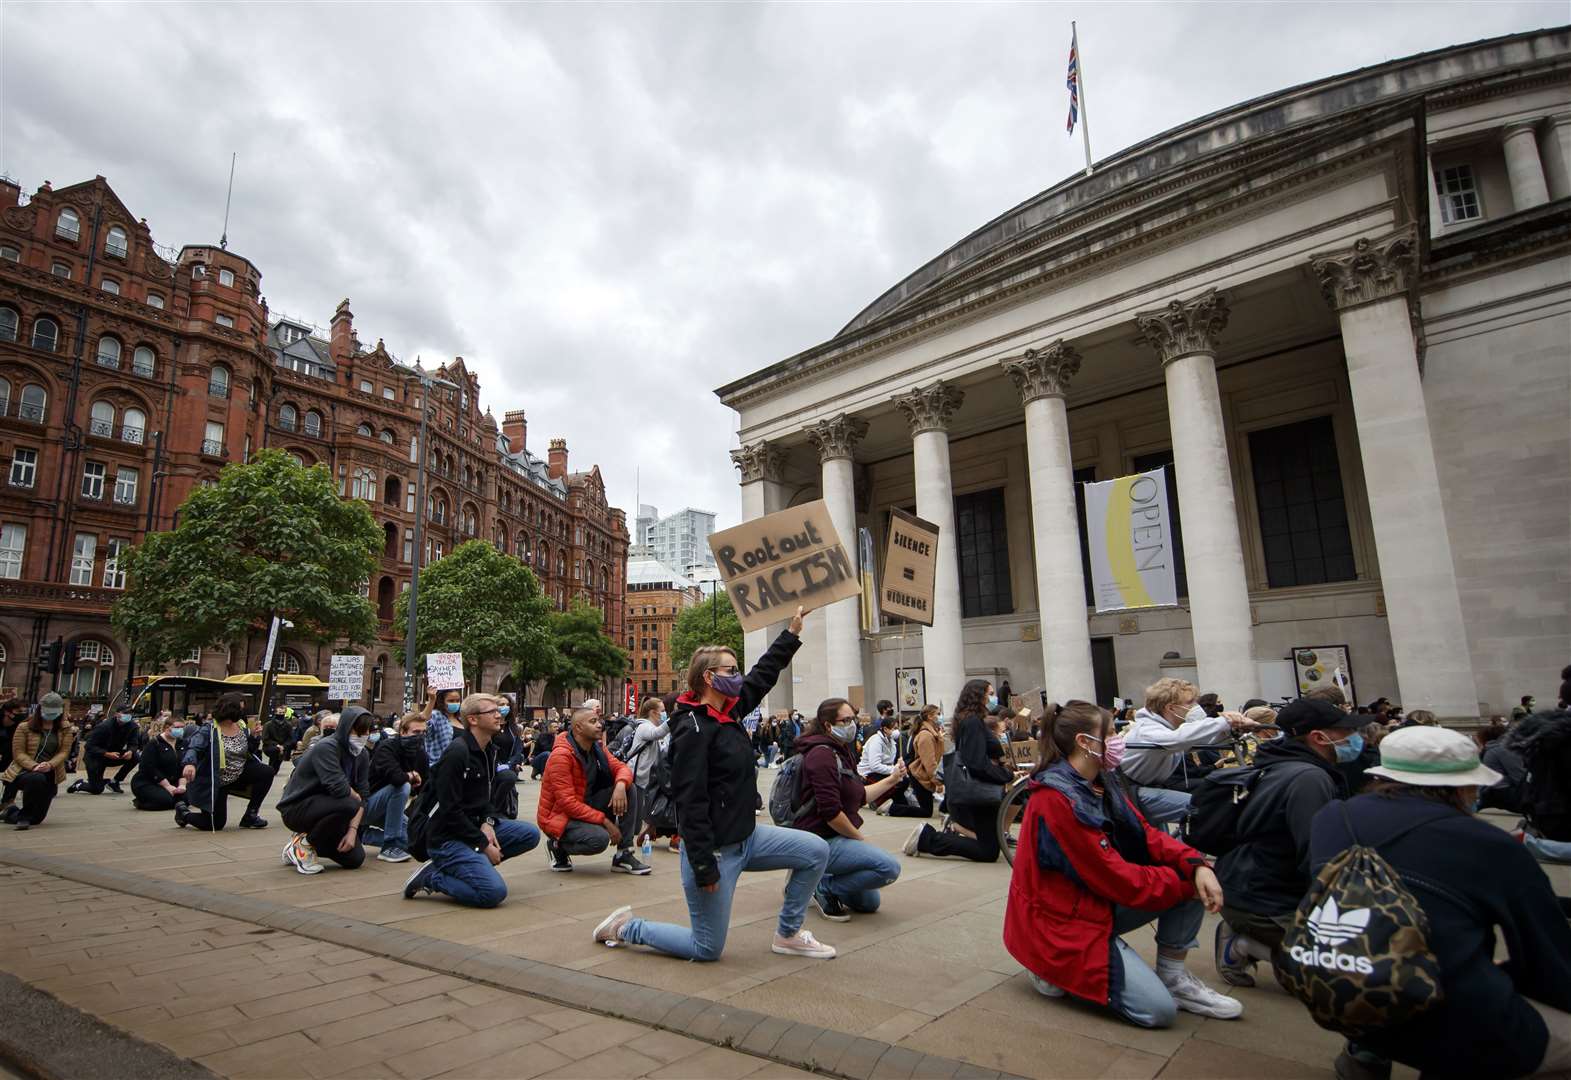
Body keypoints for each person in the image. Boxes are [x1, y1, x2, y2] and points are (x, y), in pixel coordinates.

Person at [1309, 726, 1571, 1080]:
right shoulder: (1488, 844)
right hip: (1443, 1010)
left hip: (1338, 991)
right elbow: (1548, 955)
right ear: (1464, 785)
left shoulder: (1333, 816)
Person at [590, 606, 837, 961]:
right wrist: (704, 864)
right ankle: (627, 927)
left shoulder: (729, 711)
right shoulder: (691, 728)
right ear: (708, 677)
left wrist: (792, 632)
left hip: (748, 837)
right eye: (730, 670)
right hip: (715, 851)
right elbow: (690, 800)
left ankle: (788, 934)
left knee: (815, 851)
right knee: (706, 947)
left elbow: (763, 676)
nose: (737, 676)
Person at [1003, 699, 1243, 1028]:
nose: (1120, 740)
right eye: (1112, 733)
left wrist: (1195, 864)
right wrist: (1185, 883)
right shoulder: (1056, 799)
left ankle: (1173, 976)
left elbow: (1143, 833)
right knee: (1157, 1012)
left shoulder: (1103, 778)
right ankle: (1046, 965)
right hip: (1058, 920)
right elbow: (1114, 877)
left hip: (1086, 902)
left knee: (1190, 875)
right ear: (1085, 743)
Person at [1211, 698, 1360, 987]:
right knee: (1346, 977)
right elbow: (1317, 853)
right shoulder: (1309, 779)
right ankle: (1242, 944)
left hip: (1246, 885)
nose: (1355, 739)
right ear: (1318, 737)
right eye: (1346, 732)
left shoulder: (1282, 764)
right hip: (1263, 897)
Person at [403, 694, 541, 908]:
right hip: (446, 837)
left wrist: (487, 822)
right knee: (493, 893)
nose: (499, 715)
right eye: (492, 711)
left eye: (499, 710)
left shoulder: (489, 751)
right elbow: (449, 810)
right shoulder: (458, 752)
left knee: (529, 834)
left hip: (472, 826)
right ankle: (432, 877)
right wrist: (483, 844)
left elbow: (486, 798)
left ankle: (471, 865)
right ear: (473, 719)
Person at [791, 698, 905, 921]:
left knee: (869, 903)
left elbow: (860, 796)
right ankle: (822, 886)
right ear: (827, 725)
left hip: (837, 836)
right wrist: (860, 840)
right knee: (888, 867)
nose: (852, 724)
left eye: (853, 718)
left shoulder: (840, 751)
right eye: (846, 720)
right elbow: (831, 814)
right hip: (821, 839)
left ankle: (815, 877)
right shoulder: (821, 755)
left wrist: (892, 779)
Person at [903, 680, 1015, 862]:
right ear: (979, 695)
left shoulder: (969, 720)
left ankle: (933, 837)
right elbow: (976, 762)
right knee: (987, 851)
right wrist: (1005, 774)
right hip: (979, 791)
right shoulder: (972, 722)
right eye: (990, 693)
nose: (993, 697)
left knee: (989, 847)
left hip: (978, 789)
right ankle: (929, 839)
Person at [1120, 677, 1256, 825]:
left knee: (1163, 842)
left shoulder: (1164, 728)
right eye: (1190, 702)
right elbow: (1179, 739)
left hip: (1144, 788)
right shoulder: (1147, 729)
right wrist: (1225, 721)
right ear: (1171, 708)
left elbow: (1199, 741)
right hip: (1128, 791)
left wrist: (1232, 730)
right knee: (1200, 809)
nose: (1196, 707)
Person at [538, 707, 647, 874]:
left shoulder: (597, 748)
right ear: (578, 728)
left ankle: (623, 855)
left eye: (599, 721)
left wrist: (619, 785)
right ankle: (557, 845)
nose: (600, 725)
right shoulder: (561, 756)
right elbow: (568, 803)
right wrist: (605, 822)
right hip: (560, 816)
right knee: (599, 840)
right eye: (593, 722)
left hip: (586, 804)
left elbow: (621, 768)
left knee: (628, 787)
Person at [276, 705, 375, 874]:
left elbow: (363, 795)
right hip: (299, 808)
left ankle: (304, 842)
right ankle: (304, 845)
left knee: (354, 858)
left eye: (366, 732)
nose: (362, 737)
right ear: (346, 728)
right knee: (349, 804)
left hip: (333, 811)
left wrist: (352, 831)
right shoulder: (327, 747)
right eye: (358, 732)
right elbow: (339, 788)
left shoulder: (362, 755)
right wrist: (356, 797)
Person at [176, 692, 272, 831]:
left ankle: (251, 815)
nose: (242, 712)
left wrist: (255, 737)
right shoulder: (209, 729)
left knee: (266, 771)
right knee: (215, 823)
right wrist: (190, 763)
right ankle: (184, 814)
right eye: (240, 709)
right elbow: (194, 747)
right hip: (216, 780)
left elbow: (248, 751)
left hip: (238, 773)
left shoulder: (241, 726)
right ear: (229, 709)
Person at [0, 693, 75, 830]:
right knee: (36, 778)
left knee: (36, 819)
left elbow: (64, 751)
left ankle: (10, 812)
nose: (51, 715)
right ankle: (23, 817)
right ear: (40, 709)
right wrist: (34, 765)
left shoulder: (65, 728)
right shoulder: (24, 727)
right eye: (48, 712)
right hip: (24, 771)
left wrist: (50, 764)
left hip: (50, 773)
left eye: (54, 712)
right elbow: (18, 753)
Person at [364, 711, 427, 862]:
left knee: (416, 843)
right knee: (403, 786)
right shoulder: (387, 748)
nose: (420, 736)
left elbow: (425, 788)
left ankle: (365, 836)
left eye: (423, 732)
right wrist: (411, 776)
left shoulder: (421, 755)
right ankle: (389, 845)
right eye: (416, 732)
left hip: (392, 809)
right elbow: (397, 779)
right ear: (403, 732)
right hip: (368, 804)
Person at [68, 707, 141, 795]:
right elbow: (89, 746)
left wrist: (130, 751)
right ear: (116, 714)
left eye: (129, 714)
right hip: (95, 757)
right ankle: (79, 784)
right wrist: (106, 753)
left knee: (135, 757)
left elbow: (134, 743)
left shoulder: (133, 727)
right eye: (124, 713)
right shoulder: (104, 726)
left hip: (114, 754)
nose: (127, 716)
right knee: (96, 789)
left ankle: (115, 782)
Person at [890, 704, 942, 819]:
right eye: (938, 714)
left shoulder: (930, 733)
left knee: (926, 810)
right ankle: (892, 808)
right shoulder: (926, 735)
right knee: (926, 811)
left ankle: (894, 808)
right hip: (920, 775)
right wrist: (937, 782)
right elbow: (929, 762)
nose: (940, 716)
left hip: (922, 775)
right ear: (929, 716)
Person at [131, 717, 188, 811]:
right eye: (177, 727)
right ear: (167, 728)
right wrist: (167, 786)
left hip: (172, 780)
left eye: (182, 727)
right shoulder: (154, 743)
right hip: (149, 781)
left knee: (185, 800)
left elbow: (183, 765)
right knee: (166, 801)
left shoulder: (182, 743)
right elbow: (149, 768)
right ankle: (141, 802)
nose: (180, 730)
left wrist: (182, 785)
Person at [858, 712, 899, 800]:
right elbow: (875, 766)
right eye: (894, 728)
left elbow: (890, 761)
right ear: (885, 729)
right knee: (898, 781)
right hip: (869, 774)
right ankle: (879, 801)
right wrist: (893, 770)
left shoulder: (891, 741)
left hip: (880, 772)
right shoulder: (876, 741)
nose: (897, 731)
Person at [422, 688, 463, 767]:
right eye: (451, 701)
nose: (455, 703)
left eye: (457, 700)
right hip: (439, 767)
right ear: (442, 701)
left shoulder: (461, 719)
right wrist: (432, 699)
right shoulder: (436, 715)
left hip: (458, 768)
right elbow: (423, 721)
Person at [261, 708, 294, 773]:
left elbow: (290, 738)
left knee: (277, 766)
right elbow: (265, 739)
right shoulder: (268, 725)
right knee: (275, 752)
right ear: (275, 713)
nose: (281, 714)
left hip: (283, 747)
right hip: (270, 746)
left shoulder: (288, 725)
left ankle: (273, 770)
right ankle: (270, 769)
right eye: (279, 713)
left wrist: (284, 746)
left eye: (283, 713)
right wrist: (277, 745)